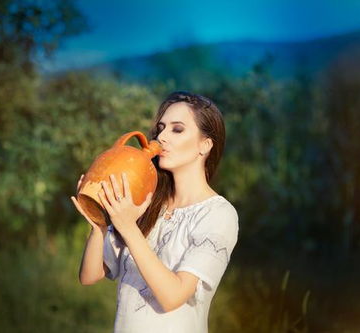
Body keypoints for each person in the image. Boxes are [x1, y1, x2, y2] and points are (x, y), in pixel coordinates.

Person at [71, 91, 239, 333]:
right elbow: (89, 276)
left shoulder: (218, 214)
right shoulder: (145, 202)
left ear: (205, 145)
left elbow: (173, 296)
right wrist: (97, 224)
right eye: (161, 128)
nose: (161, 137)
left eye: (177, 129)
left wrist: (128, 228)